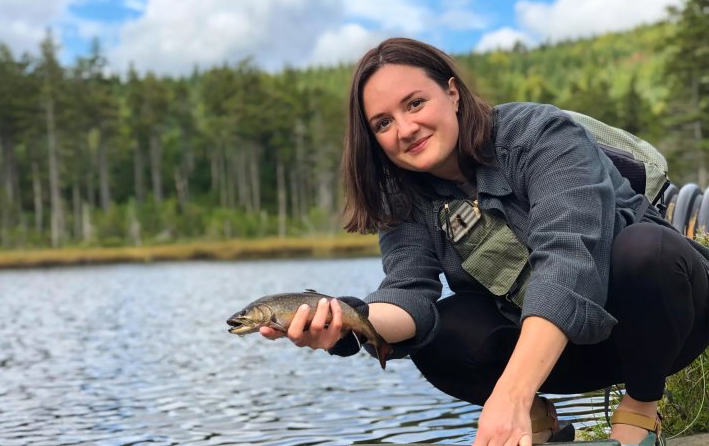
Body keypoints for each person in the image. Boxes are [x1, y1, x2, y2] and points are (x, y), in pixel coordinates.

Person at [260, 37, 709, 446]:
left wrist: (509, 394)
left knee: (648, 251)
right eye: (383, 123)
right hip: (563, 359)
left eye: (415, 103)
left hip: (665, 328)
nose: (405, 129)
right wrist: (344, 320)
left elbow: (569, 261)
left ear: (452, 93)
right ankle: (540, 424)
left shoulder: (541, 135)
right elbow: (408, 296)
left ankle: (640, 413)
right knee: (440, 327)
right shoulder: (403, 196)